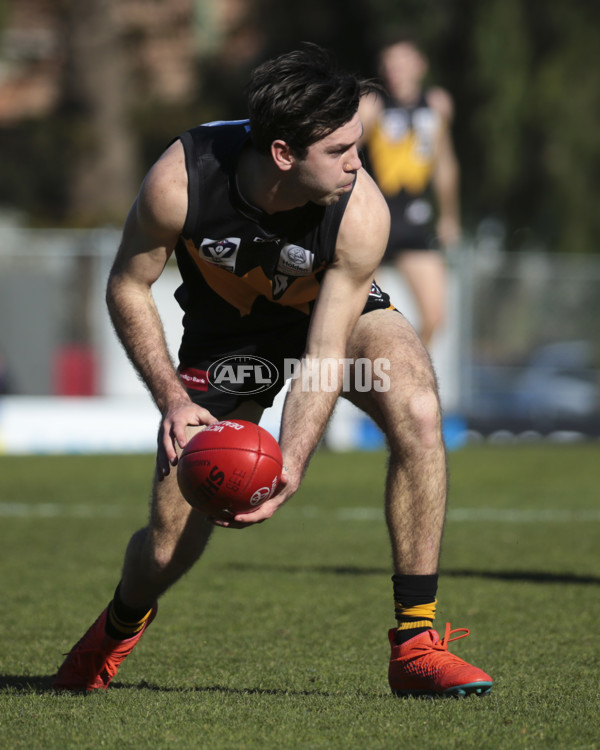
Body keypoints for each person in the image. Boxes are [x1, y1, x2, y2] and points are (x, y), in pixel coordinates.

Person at [52, 44, 492, 698]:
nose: (357, 163)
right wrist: (171, 398)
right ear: (283, 155)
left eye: (358, 145)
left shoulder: (360, 211)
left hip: (328, 316)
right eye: (340, 151)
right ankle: (115, 629)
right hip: (227, 338)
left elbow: (323, 353)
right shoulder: (182, 182)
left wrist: (290, 461)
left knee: (419, 409)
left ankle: (416, 643)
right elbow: (127, 286)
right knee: (170, 546)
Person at [360, 34, 461, 349]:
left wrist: (449, 216)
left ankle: (405, 374)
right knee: (364, 313)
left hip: (414, 218)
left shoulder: (436, 105)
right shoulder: (372, 104)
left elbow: (445, 165)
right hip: (374, 217)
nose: (396, 70)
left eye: (403, 62)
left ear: (420, 65)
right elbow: (343, 154)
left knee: (435, 318)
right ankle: (361, 378)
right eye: (390, 64)